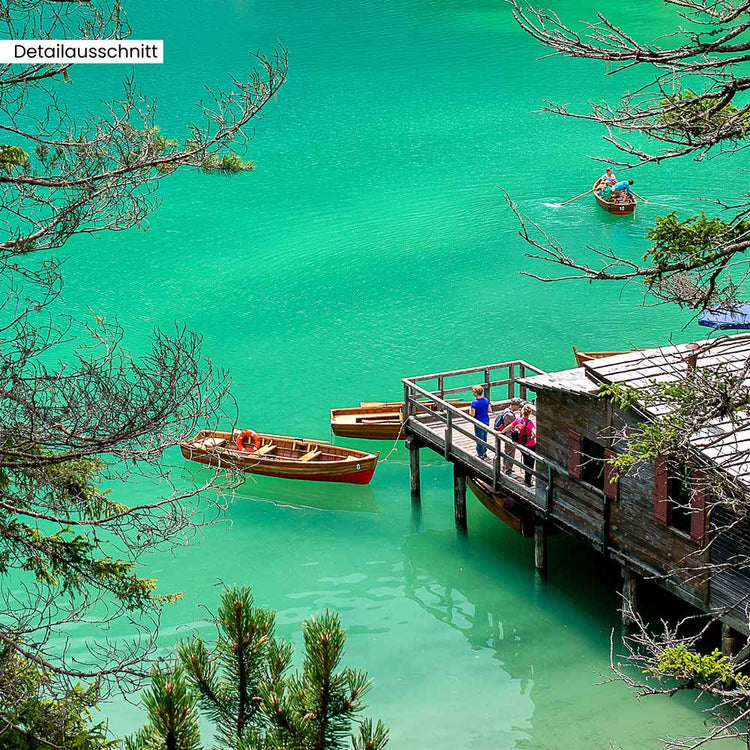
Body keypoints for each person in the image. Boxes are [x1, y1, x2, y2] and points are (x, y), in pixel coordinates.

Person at [500, 403, 537, 486]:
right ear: (530, 413)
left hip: (521, 444)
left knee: (525, 461)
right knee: (530, 464)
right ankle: (528, 481)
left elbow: (509, 427)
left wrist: (501, 432)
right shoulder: (529, 423)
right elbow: (534, 432)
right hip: (530, 445)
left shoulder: (518, 420)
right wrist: (532, 436)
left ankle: (527, 479)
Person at [494, 397, 523, 474]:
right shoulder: (510, 415)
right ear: (514, 405)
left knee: (507, 452)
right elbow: (514, 425)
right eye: (518, 406)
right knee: (510, 453)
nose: (519, 407)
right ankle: (508, 470)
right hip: (510, 436)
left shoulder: (506, 410)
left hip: (507, 434)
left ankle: (505, 467)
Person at [469, 385, 491, 460]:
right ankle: (484, 452)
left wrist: (470, 411)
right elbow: (490, 410)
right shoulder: (486, 400)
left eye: (473, 391)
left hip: (479, 421)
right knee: (484, 437)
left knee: (479, 437)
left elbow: (472, 414)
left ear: (476, 393)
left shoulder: (474, 403)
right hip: (486, 420)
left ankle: (480, 454)